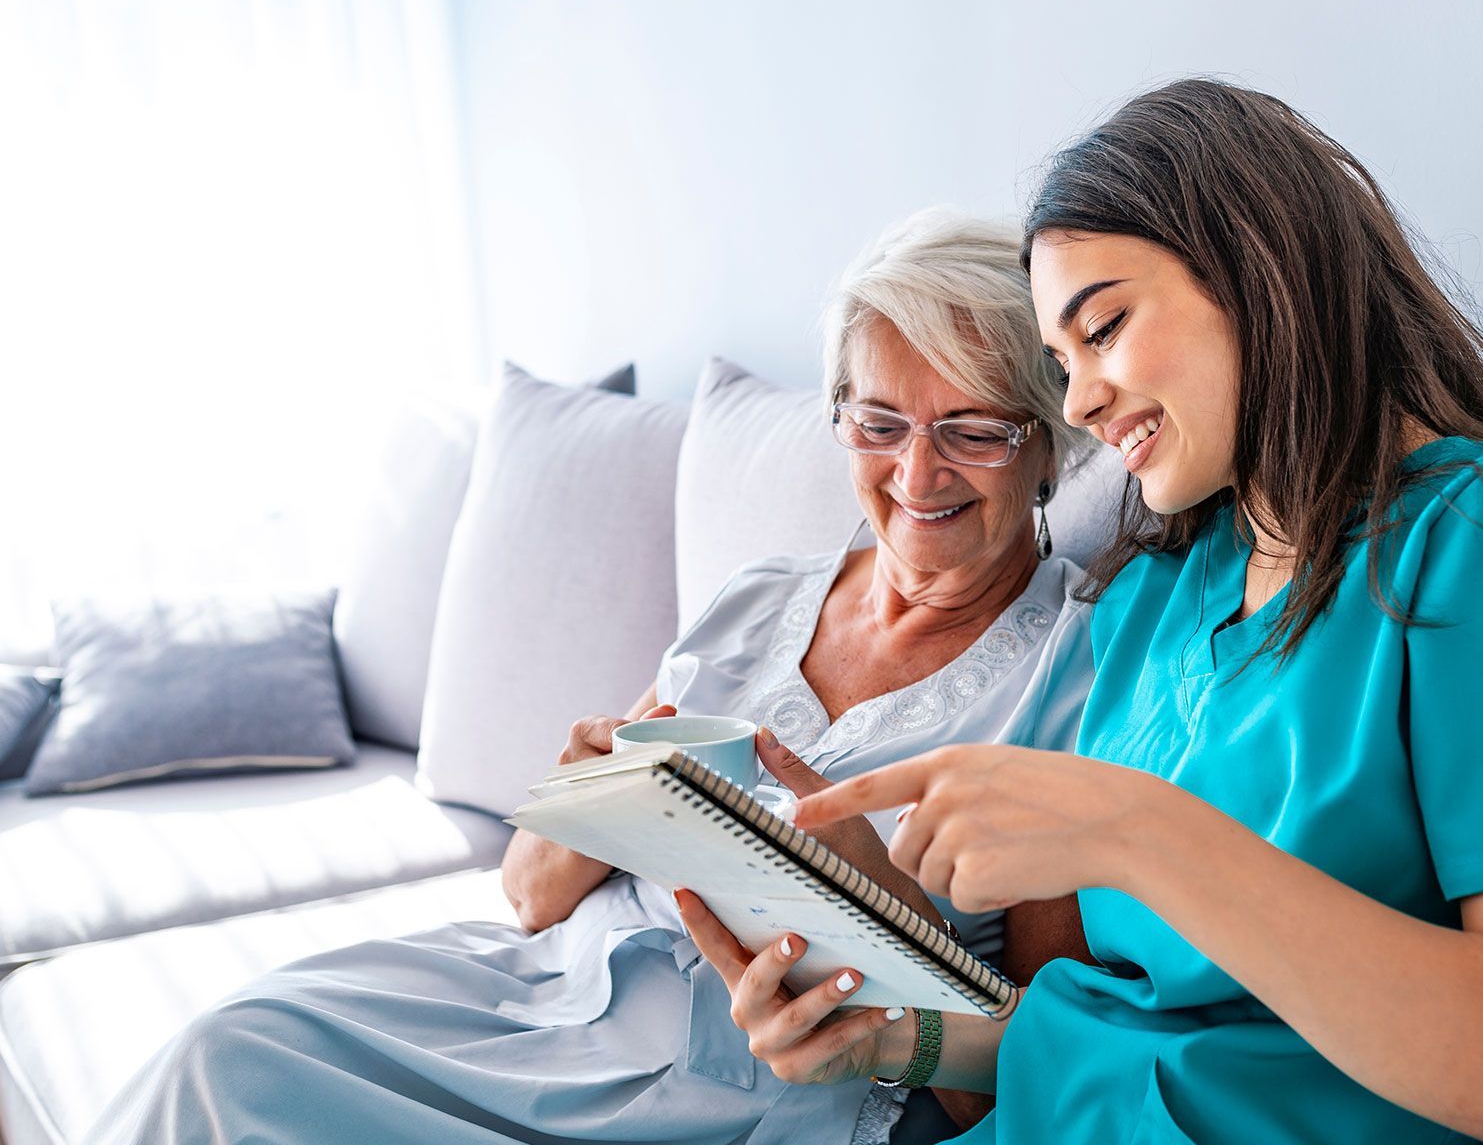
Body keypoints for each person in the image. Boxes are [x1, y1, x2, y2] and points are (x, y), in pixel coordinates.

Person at [682, 79, 1483, 1145]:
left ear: (1261, 271)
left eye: (1105, 327)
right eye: (1060, 363)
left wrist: (1139, 836)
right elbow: (1121, 1030)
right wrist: (892, 1032)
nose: (1076, 401)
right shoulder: (1153, 604)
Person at [88, 209, 1098, 1145]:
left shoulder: (1077, 673)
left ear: (1047, 445)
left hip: (747, 1088)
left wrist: (889, 915)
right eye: (880, 424)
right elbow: (527, 897)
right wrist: (586, 799)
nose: (917, 476)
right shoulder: (756, 601)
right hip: (549, 997)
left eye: (972, 431)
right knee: (230, 1048)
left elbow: (1042, 1082)